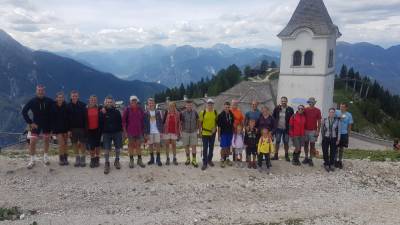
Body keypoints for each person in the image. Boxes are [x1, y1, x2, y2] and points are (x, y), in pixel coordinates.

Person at [22, 85, 54, 169]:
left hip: (47, 124)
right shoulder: (32, 101)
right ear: (36, 91)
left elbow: (57, 108)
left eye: (42, 90)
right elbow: (24, 111)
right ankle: (32, 160)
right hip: (35, 124)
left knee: (46, 141)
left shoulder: (49, 101)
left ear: (44, 91)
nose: (40, 92)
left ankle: (45, 157)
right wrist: (30, 122)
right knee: (32, 142)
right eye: (39, 90)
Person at [100, 96, 123, 174]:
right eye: (107, 102)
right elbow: (100, 122)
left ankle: (117, 160)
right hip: (106, 133)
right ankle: (107, 163)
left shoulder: (117, 112)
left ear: (113, 103)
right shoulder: (102, 111)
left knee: (117, 148)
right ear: (105, 103)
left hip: (117, 132)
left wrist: (121, 132)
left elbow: (120, 122)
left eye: (110, 102)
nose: (109, 103)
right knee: (106, 149)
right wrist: (102, 112)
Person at [122, 96, 145, 168]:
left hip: (139, 131)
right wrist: (125, 131)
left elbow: (143, 120)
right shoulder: (127, 109)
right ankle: (131, 160)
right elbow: (123, 121)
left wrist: (143, 130)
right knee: (131, 146)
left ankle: (139, 160)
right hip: (130, 131)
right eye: (132, 101)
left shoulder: (140, 109)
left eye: (135, 101)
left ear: (137, 101)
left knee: (138, 145)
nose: (134, 102)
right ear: (130, 102)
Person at [67, 90, 88, 167]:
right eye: (73, 96)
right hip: (72, 128)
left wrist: (86, 129)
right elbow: (67, 119)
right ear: (71, 97)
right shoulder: (68, 106)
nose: (74, 97)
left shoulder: (83, 105)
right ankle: (77, 157)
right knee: (74, 143)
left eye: (76, 96)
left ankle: (83, 158)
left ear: (78, 96)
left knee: (83, 143)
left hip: (82, 128)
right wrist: (68, 130)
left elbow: (86, 118)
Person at [272, 96, 294, 161]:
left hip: (286, 129)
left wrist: (291, 129)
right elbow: (273, 118)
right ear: (280, 102)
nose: (283, 102)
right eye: (282, 101)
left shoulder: (290, 109)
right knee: (277, 142)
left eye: (285, 101)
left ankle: (286, 156)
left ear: (287, 102)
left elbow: (292, 119)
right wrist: (273, 127)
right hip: (278, 128)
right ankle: (276, 155)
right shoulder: (277, 108)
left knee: (286, 142)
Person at [199, 99, 218, 171]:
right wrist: (200, 131)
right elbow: (200, 123)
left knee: (211, 147)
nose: (210, 105)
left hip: (212, 133)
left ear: (213, 105)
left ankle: (209, 160)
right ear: (207, 104)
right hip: (205, 132)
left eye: (211, 104)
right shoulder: (203, 112)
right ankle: (205, 162)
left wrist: (215, 128)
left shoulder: (215, 112)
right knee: (205, 148)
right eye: (209, 104)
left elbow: (216, 122)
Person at [51, 92, 69, 166]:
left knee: (65, 144)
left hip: (65, 127)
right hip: (57, 129)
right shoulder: (53, 106)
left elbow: (68, 118)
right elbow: (51, 119)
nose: (60, 98)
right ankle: (61, 158)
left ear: (63, 98)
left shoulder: (66, 106)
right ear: (56, 98)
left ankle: (65, 157)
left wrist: (69, 129)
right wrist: (52, 130)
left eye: (61, 97)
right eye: (59, 97)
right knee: (61, 144)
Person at [144, 98, 163, 167]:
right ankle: (152, 159)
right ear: (148, 104)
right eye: (149, 103)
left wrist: (161, 131)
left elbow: (160, 122)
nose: (151, 104)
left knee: (158, 145)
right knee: (150, 145)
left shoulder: (158, 112)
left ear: (154, 104)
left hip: (157, 131)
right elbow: (145, 124)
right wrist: (145, 133)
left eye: (152, 103)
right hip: (149, 131)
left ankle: (158, 159)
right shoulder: (145, 113)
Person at [303, 97, 322, 167]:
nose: (311, 103)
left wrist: (318, 131)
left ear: (314, 103)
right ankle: (306, 157)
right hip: (305, 130)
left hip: (313, 130)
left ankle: (310, 158)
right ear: (308, 103)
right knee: (305, 144)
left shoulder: (318, 110)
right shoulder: (305, 109)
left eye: (312, 102)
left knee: (312, 145)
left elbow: (319, 121)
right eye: (310, 102)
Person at [180, 100, 199, 168]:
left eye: (190, 105)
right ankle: (188, 159)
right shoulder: (183, 113)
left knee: (194, 146)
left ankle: (194, 160)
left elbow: (198, 120)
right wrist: (181, 131)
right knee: (186, 146)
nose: (189, 106)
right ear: (186, 105)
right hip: (185, 132)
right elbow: (181, 122)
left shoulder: (195, 112)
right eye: (188, 105)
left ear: (192, 105)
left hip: (193, 131)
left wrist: (197, 129)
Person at [321, 108, 341, 172]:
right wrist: (323, 137)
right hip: (326, 137)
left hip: (334, 138)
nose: (331, 113)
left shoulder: (337, 121)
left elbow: (339, 131)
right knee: (325, 151)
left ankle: (332, 164)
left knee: (333, 152)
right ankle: (326, 163)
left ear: (334, 113)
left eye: (333, 112)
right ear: (328, 113)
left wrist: (338, 140)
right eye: (330, 112)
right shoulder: (324, 120)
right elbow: (322, 129)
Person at [335, 103, 353, 169]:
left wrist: (348, 134)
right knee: (335, 147)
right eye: (340, 106)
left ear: (346, 108)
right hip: (336, 133)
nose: (341, 108)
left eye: (343, 107)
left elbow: (350, 125)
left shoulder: (349, 115)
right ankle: (335, 160)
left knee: (341, 148)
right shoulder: (336, 112)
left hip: (344, 133)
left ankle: (340, 161)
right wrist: (337, 117)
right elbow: (332, 117)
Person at [163, 101, 181, 165]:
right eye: (170, 106)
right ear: (168, 107)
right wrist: (162, 132)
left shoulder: (178, 114)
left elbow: (179, 124)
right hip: (166, 132)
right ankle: (167, 158)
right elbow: (163, 122)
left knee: (174, 145)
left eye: (173, 106)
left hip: (174, 132)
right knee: (167, 145)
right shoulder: (166, 113)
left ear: (175, 107)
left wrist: (179, 133)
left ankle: (174, 158)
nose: (171, 107)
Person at [217, 102, 234, 168]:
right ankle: (222, 159)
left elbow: (232, 124)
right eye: (226, 107)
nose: (227, 108)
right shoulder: (221, 115)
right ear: (224, 107)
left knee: (228, 146)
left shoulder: (231, 114)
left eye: (228, 107)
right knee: (223, 147)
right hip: (223, 134)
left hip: (230, 133)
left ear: (229, 107)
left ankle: (227, 159)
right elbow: (219, 127)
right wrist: (218, 136)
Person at [87, 95, 102, 168]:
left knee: (97, 145)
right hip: (89, 129)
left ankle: (97, 158)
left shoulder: (99, 108)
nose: (93, 100)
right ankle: (92, 159)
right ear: (89, 100)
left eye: (94, 99)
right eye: (92, 99)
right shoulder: (86, 108)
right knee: (91, 145)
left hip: (98, 129)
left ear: (96, 101)